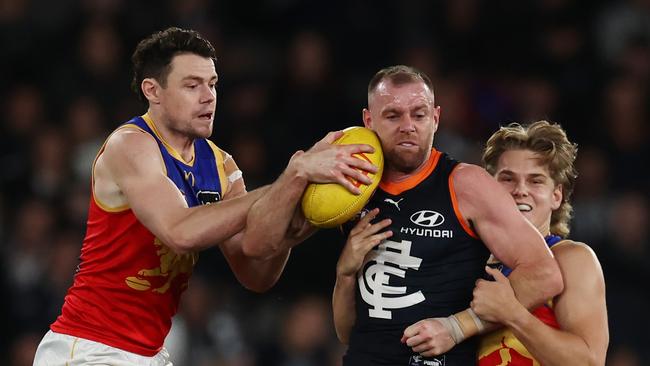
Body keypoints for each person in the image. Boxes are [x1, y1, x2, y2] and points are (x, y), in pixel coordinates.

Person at [32, 27, 377, 365]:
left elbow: (256, 270)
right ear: (153, 91)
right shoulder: (132, 144)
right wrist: (292, 176)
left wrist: (307, 207)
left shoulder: (221, 165)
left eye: (212, 84)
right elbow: (180, 232)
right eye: (192, 85)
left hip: (150, 353)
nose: (208, 96)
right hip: (89, 347)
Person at [331, 65, 564, 365]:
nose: (408, 126)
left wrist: (456, 327)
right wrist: (345, 274)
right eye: (393, 115)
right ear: (368, 120)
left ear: (436, 118)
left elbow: (544, 274)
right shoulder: (353, 187)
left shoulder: (465, 184)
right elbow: (347, 333)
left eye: (419, 114)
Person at [474, 121, 609, 365]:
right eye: (507, 179)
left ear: (556, 196)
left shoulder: (571, 259)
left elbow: (589, 361)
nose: (520, 190)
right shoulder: (465, 258)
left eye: (535, 181)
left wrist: (512, 313)